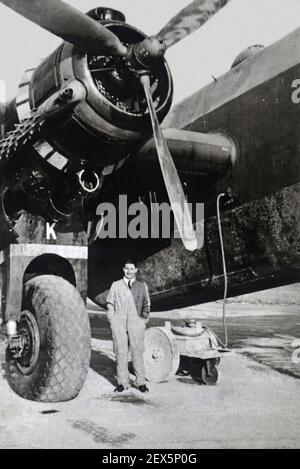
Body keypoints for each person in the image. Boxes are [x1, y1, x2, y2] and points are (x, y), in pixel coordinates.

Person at [106, 259, 150, 393]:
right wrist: (112, 319)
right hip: (118, 323)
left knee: (137, 352)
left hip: (136, 324)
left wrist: (143, 321)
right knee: (120, 352)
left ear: (136, 270)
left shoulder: (142, 286)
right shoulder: (116, 285)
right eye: (127, 268)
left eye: (132, 269)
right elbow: (110, 303)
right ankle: (122, 383)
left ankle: (141, 382)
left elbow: (146, 305)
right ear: (123, 269)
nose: (129, 271)